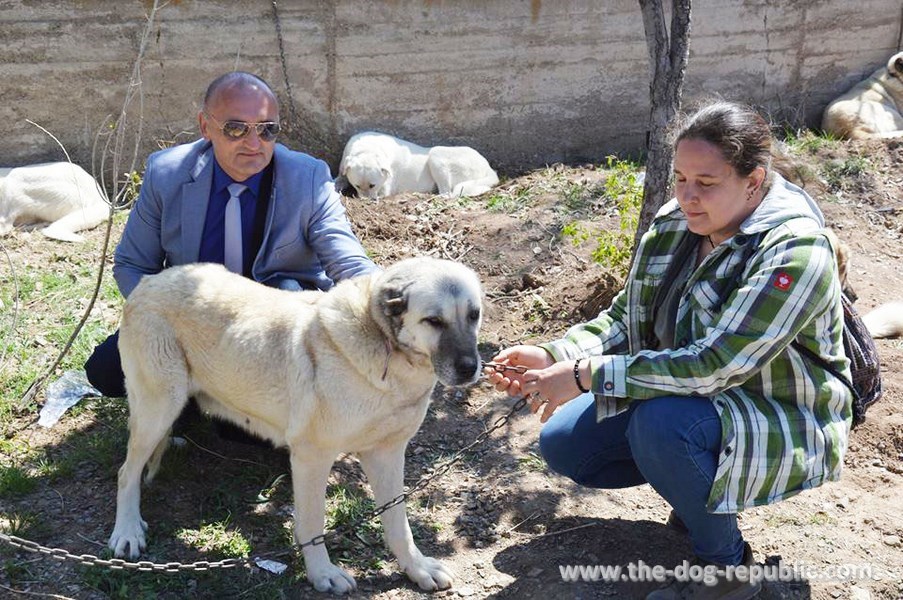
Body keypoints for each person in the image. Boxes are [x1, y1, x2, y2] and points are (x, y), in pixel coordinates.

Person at [486, 101, 851, 600]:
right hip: (698, 399)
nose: (687, 196)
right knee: (566, 443)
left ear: (754, 181)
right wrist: (556, 354)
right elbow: (625, 319)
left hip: (784, 415)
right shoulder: (676, 223)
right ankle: (700, 494)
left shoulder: (795, 252)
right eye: (680, 178)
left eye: (706, 182)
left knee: (662, 427)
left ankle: (727, 571)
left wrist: (585, 375)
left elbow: (716, 364)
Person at [85, 71, 378, 398]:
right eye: (236, 128)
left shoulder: (308, 178)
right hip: (192, 317)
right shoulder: (166, 173)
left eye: (267, 130)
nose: (254, 144)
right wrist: (170, 318)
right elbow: (131, 263)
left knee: (244, 432)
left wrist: (388, 303)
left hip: (277, 318)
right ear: (205, 126)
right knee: (106, 370)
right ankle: (196, 391)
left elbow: (349, 263)